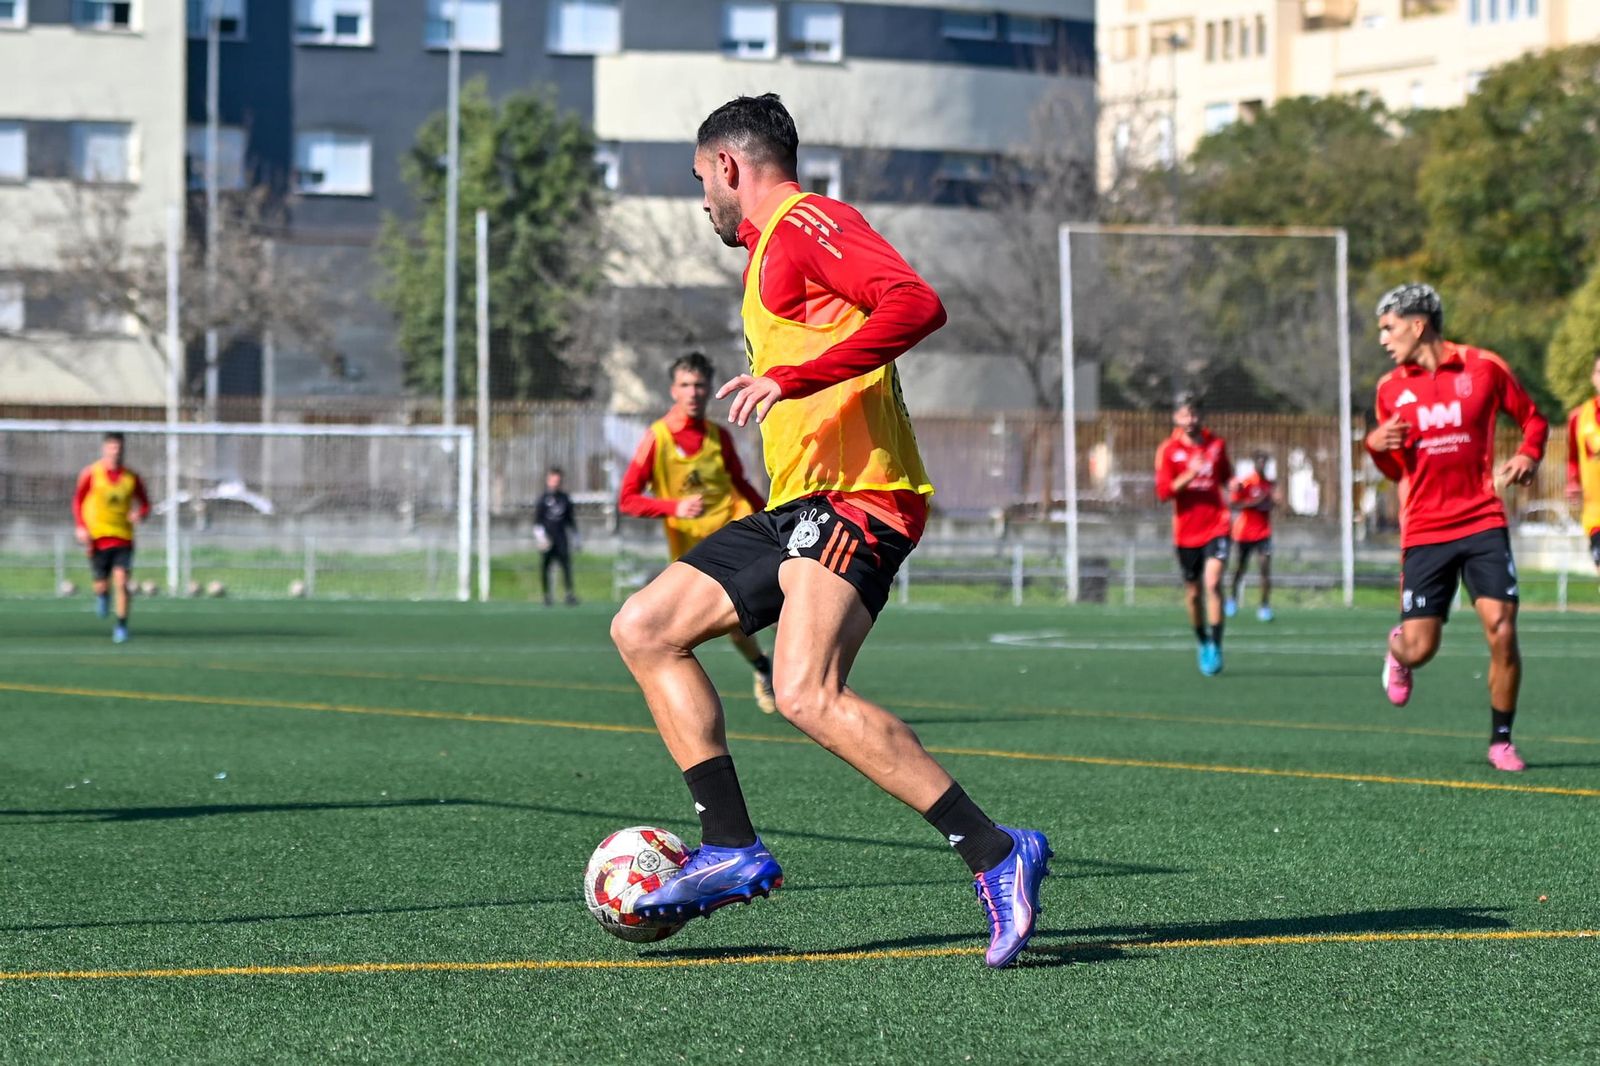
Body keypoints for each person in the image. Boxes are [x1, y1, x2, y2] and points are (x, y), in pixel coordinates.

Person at [608, 93, 1050, 968]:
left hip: (862, 498)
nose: (704, 201)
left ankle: (996, 852)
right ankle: (731, 844)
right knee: (645, 630)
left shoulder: (811, 222)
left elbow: (915, 303)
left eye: (703, 180)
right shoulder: (770, 253)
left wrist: (798, 378)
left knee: (807, 693)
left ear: (730, 167)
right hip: (801, 505)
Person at [1365, 283, 1547, 772]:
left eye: (1389, 328)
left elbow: (1533, 419)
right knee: (1422, 648)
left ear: (1417, 324)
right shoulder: (1389, 389)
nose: (1383, 339)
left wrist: (1529, 453)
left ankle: (1501, 740)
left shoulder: (1484, 367)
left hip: (1482, 519)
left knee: (1502, 631)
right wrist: (1376, 444)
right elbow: (1396, 469)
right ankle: (1397, 650)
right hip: (1425, 529)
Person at [619, 351, 778, 714]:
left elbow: (740, 483)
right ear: (673, 390)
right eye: (685, 385)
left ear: (709, 390)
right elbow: (628, 499)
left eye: (700, 385)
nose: (693, 392)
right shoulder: (656, 438)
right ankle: (764, 668)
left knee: (782, 609)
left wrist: (771, 514)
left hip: (739, 536)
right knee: (737, 626)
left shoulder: (718, 437)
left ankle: (803, 680)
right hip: (698, 555)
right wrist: (673, 507)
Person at [1154, 395, 1232, 676]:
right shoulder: (1168, 450)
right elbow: (1163, 493)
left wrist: (1233, 484)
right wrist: (1189, 473)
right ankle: (1202, 641)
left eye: (1195, 414)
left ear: (1202, 415)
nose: (1190, 421)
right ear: (1176, 418)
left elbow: (1226, 476)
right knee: (1193, 593)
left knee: (1212, 583)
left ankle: (1217, 645)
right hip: (1186, 533)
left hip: (1217, 525)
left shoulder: (1217, 445)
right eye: (1185, 415)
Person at [72, 431, 150, 644]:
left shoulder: (131, 477)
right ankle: (102, 595)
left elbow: (145, 504)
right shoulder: (91, 473)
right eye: (112, 447)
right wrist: (80, 527)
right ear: (105, 449)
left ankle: (122, 626)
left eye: (119, 447)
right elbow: (78, 501)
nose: (116, 451)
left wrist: (139, 514)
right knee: (101, 584)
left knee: (122, 582)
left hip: (123, 537)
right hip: (97, 537)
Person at [1225, 448, 1276, 623]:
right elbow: (1234, 504)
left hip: (1263, 533)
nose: (1262, 464)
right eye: (1259, 461)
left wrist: (1272, 502)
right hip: (1244, 533)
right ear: (1254, 463)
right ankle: (1232, 599)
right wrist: (1255, 502)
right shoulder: (1246, 483)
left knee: (1265, 570)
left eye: (1265, 461)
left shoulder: (1269, 484)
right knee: (1240, 568)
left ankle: (1264, 606)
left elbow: (1274, 503)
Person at [1564, 353, 1600, 583]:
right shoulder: (1579, 417)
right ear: (1592, 377)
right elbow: (1573, 459)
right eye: (1599, 372)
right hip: (1596, 515)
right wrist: (1573, 482)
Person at [534, 467, 578, 606]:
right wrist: (541, 537)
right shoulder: (542, 499)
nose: (555, 483)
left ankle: (569, 594)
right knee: (545, 566)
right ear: (548, 481)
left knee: (566, 566)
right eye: (553, 480)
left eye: (558, 480)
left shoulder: (565, 498)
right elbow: (537, 521)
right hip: (547, 539)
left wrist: (576, 536)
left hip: (561, 538)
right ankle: (546, 595)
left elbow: (571, 520)